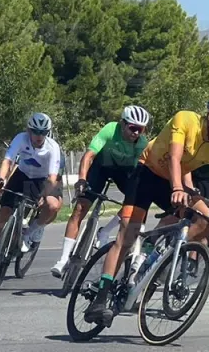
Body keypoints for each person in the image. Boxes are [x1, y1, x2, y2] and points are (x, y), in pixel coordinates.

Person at [84, 92, 209, 326]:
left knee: (207, 218)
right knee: (127, 235)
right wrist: (178, 188)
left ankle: (162, 257)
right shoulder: (186, 120)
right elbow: (174, 158)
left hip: (174, 181)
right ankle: (99, 299)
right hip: (147, 173)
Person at [51, 106, 151, 278]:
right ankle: (63, 259)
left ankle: (105, 231)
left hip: (125, 171)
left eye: (140, 129)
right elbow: (88, 156)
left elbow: (140, 174)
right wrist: (81, 180)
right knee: (80, 208)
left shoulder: (142, 143)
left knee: (137, 204)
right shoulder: (110, 129)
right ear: (123, 124)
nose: (136, 133)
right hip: (102, 168)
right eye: (133, 128)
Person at [0, 113, 63, 274]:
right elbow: (8, 161)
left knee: (51, 205)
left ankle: (30, 234)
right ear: (28, 130)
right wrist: (0, 180)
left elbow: (52, 178)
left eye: (43, 132)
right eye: (35, 131)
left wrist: (45, 195)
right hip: (22, 174)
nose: (39, 136)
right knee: (3, 214)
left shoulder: (53, 147)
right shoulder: (21, 138)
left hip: (43, 179)